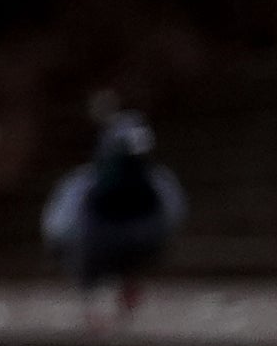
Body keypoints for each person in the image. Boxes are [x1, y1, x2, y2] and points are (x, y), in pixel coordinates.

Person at [44, 102, 180, 314]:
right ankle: (91, 307)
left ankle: (125, 285)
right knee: (88, 261)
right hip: (96, 229)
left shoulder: (160, 186)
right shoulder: (79, 190)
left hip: (138, 224)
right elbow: (57, 233)